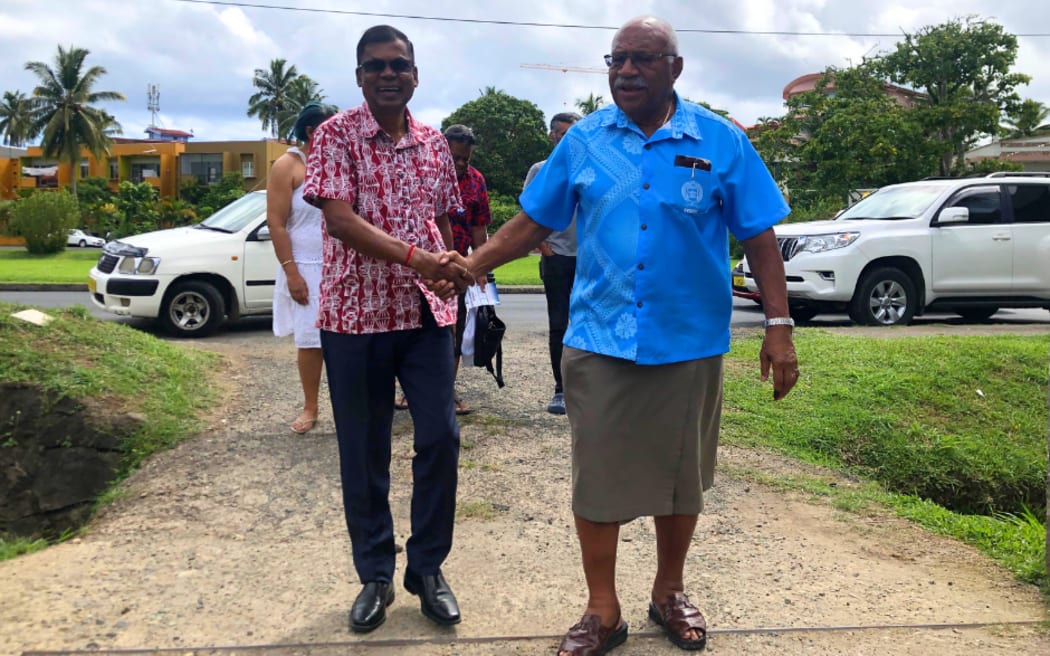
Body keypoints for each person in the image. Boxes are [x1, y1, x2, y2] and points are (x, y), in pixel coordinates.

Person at [444, 15, 800, 655]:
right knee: (598, 476)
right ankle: (602, 611)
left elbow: (760, 238)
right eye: (617, 60)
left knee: (679, 475)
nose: (626, 71)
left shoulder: (719, 140)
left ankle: (669, 591)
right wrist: (472, 266)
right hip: (601, 337)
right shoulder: (582, 142)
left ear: (674, 68)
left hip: (689, 341)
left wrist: (778, 326)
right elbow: (532, 222)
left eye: (642, 59)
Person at [300, 24, 469, 634]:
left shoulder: (433, 143)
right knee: (364, 451)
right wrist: (417, 258)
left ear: (416, 75)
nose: (389, 74)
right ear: (359, 78)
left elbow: (441, 221)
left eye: (399, 64)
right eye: (376, 66)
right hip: (355, 320)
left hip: (423, 316)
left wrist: (447, 268)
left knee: (441, 438)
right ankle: (375, 574)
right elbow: (341, 222)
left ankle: (426, 569)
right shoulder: (334, 136)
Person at [267, 102, 337, 435]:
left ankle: (347, 408)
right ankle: (311, 407)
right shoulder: (288, 165)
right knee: (310, 342)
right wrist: (292, 272)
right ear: (312, 131)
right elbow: (276, 224)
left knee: (343, 342)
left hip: (340, 266)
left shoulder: (338, 164)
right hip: (305, 267)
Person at [523, 112, 581, 415]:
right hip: (556, 257)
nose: (567, 139)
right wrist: (545, 249)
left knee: (587, 324)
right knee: (558, 324)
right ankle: (560, 389)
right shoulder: (541, 170)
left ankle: (584, 388)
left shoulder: (591, 169)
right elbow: (530, 216)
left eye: (573, 133)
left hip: (588, 261)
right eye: (562, 134)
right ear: (552, 136)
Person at [444, 124, 491, 415]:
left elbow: (479, 226)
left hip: (460, 268)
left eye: (466, 159)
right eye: (455, 158)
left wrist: (481, 266)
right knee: (420, 331)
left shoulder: (476, 182)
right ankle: (413, 390)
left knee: (455, 330)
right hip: (422, 266)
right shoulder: (426, 174)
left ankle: (447, 388)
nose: (461, 164)